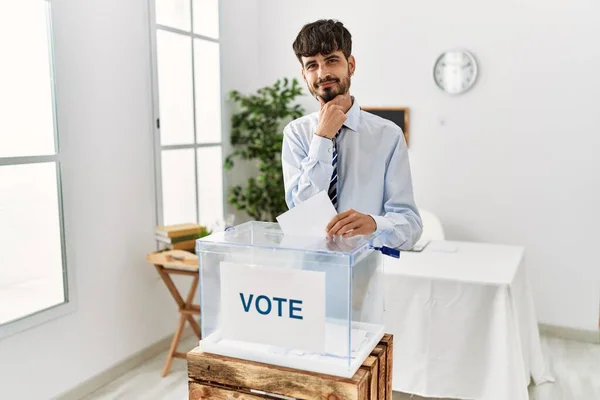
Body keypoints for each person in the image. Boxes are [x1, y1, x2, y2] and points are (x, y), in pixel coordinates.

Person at [282, 19, 423, 249]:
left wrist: (374, 224)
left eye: (331, 60)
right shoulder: (296, 134)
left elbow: (411, 226)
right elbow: (301, 213)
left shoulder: (388, 136)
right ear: (304, 74)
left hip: (366, 272)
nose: (322, 73)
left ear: (351, 65)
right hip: (309, 270)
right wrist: (322, 138)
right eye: (312, 65)